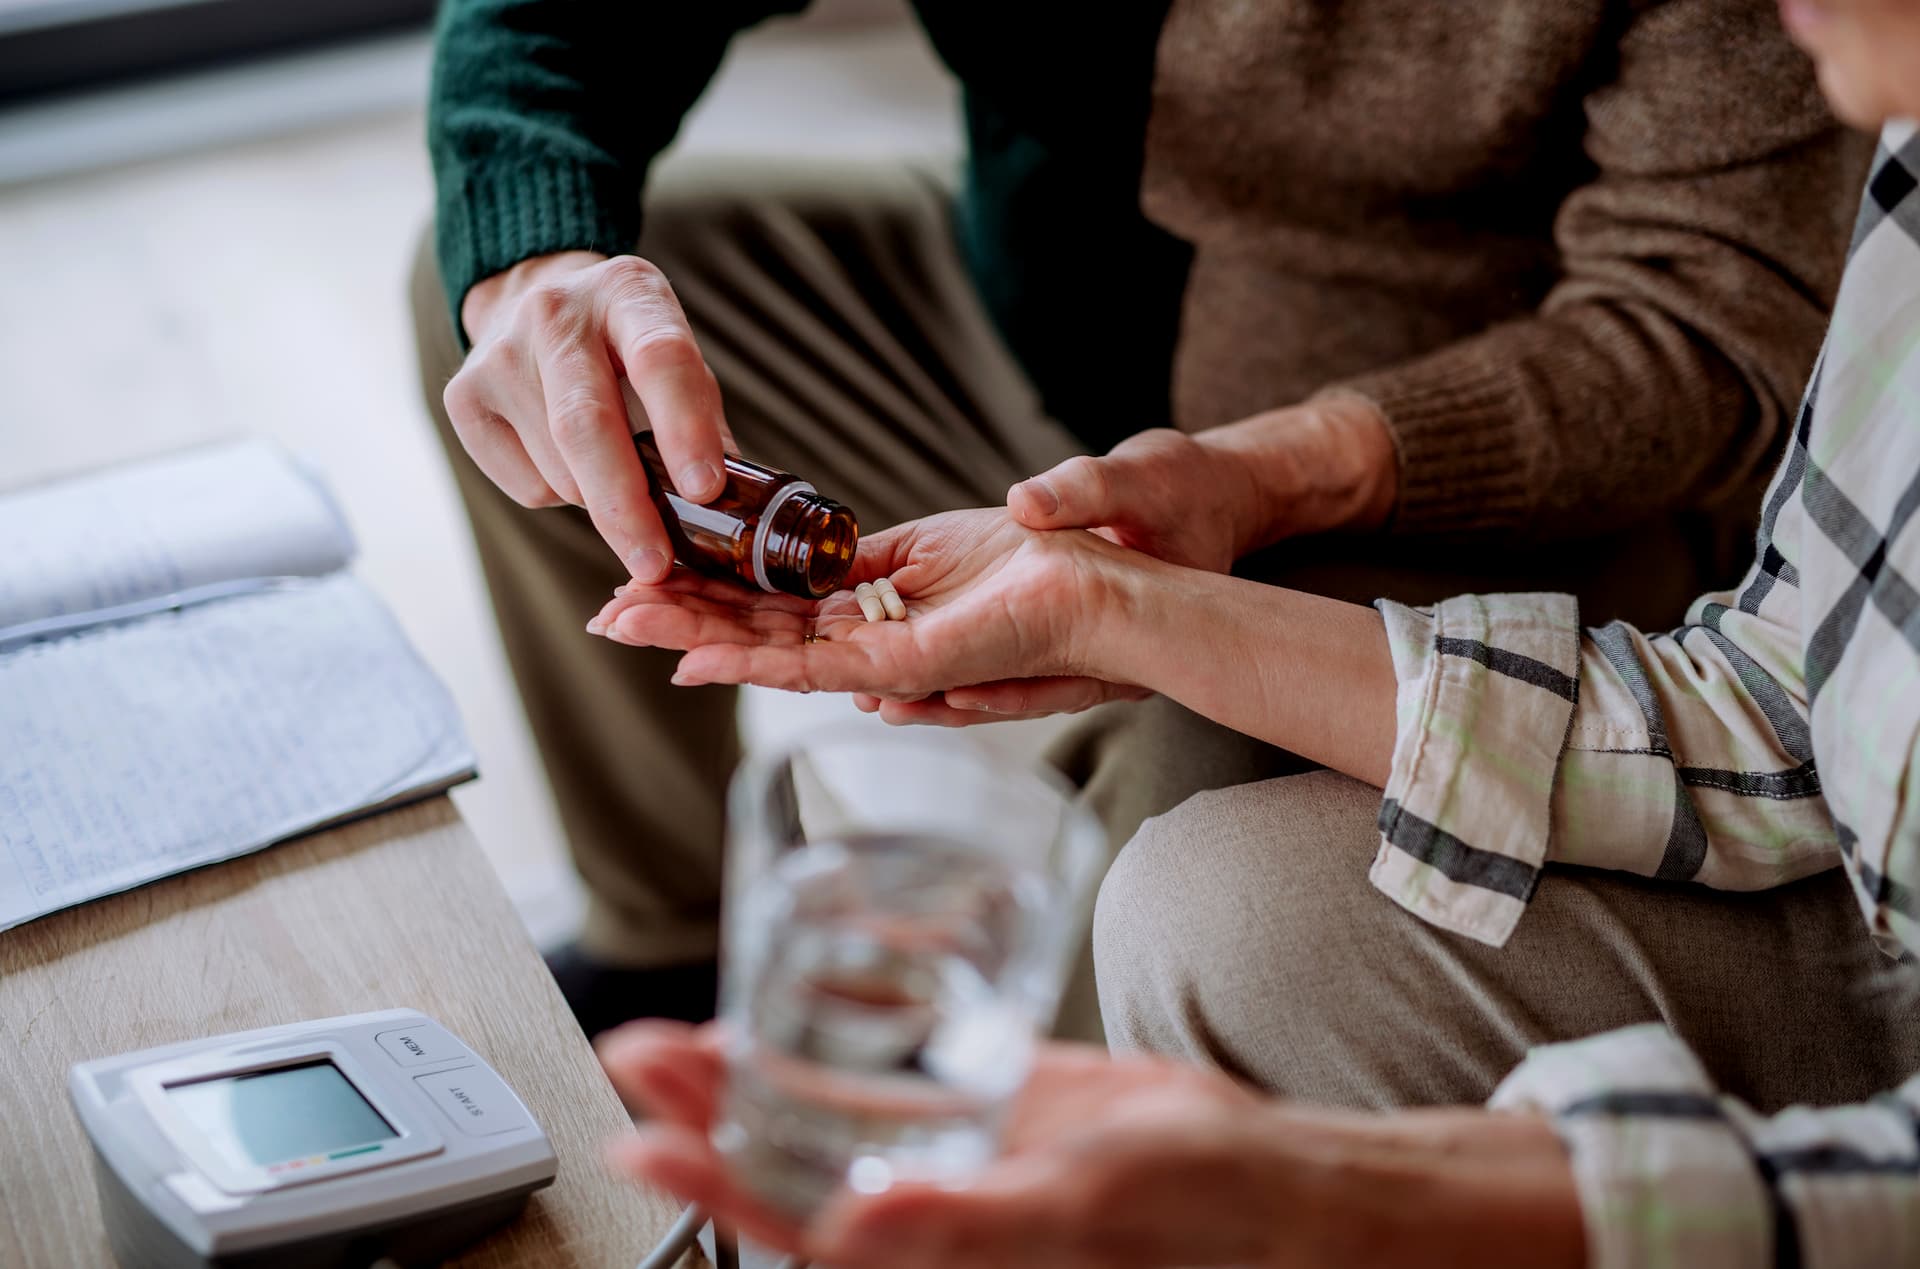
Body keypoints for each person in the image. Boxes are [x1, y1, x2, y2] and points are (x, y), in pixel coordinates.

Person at [595, 0, 1920, 1262]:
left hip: (1468, 453)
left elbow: (1704, 326)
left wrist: (1345, 1204)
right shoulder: (1904, 190)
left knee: (1179, 861)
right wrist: (1114, 606)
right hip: (1071, 375)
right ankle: (658, 943)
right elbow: (1777, 699)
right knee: (1195, 889)